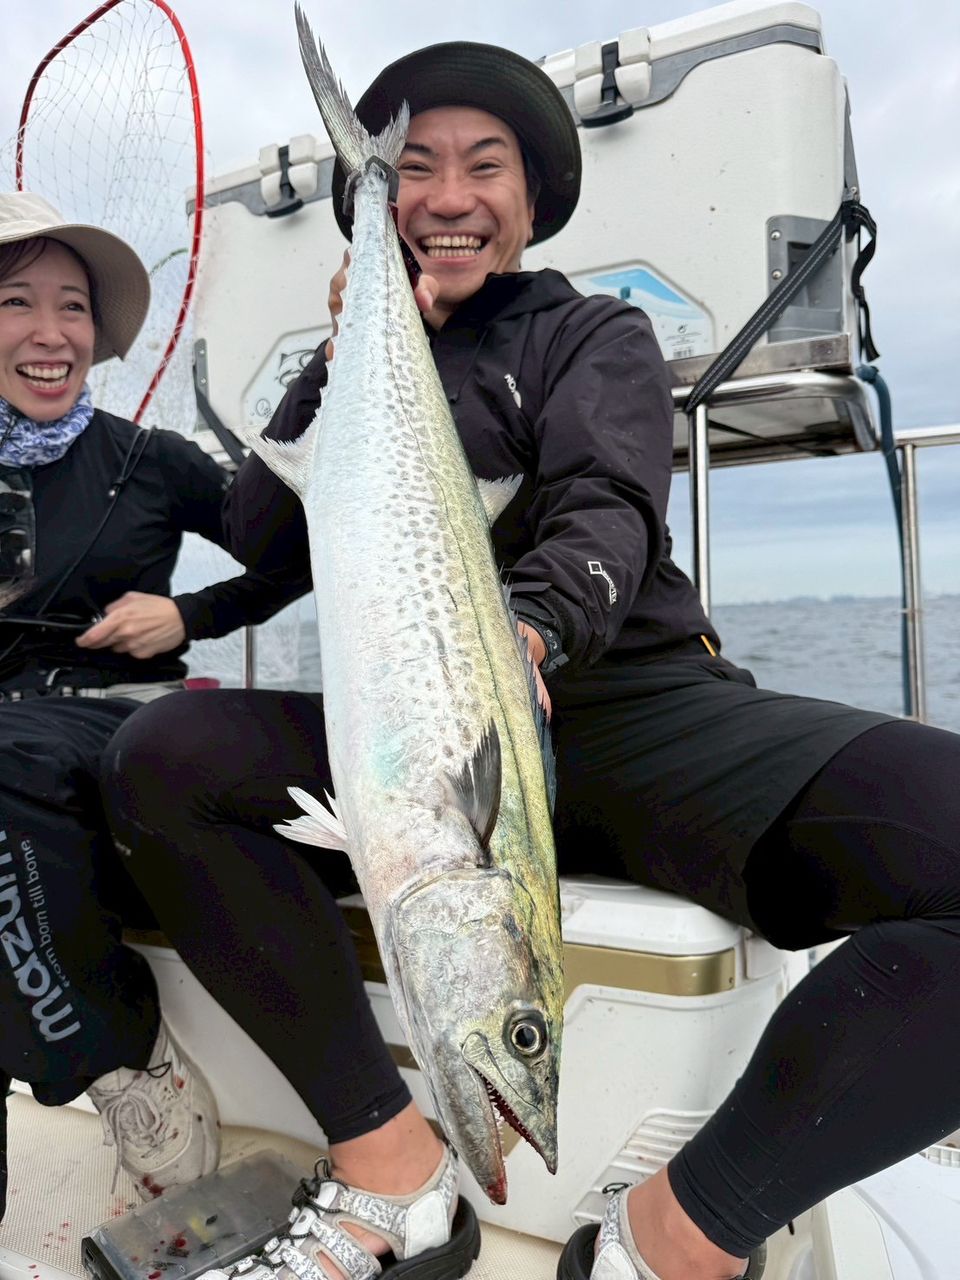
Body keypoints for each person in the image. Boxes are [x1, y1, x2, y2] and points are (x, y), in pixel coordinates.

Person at [101, 39, 960, 1280]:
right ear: (383, 199)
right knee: (160, 756)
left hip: (633, 709)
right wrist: (341, 358)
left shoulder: (590, 334)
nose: (448, 195)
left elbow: (613, 501)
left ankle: (680, 1229)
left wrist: (531, 625)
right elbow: (259, 539)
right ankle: (394, 1171)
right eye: (417, 167)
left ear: (530, 198)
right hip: (427, 737)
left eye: (484, 165)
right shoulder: (358, 358)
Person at [0, 192, 308, 1221]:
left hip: (115, 719)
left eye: (73, 307)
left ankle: (128, 1067)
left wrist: (187, 613)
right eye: (16, 303)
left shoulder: (148, 459)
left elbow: (291, 553)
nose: (50, 334)